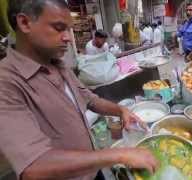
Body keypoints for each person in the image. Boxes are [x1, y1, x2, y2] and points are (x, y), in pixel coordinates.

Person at [0, 1, 158, 180]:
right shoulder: (6, 83)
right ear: (25, 23)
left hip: (91, 170)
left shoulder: (59, 65)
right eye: (59, 28)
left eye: (69, 29)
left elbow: (90, 99)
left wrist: (121, 110)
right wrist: (119, 154)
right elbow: (33, 166)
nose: (68, 37)